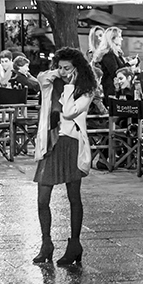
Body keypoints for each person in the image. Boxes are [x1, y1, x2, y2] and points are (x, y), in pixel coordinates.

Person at [32, 47, 97, 267]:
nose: (63, 71)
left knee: (74, 197)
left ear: (77, 69)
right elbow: (41, 79)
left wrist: (70, 85)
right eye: (60, 67)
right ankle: (46, 243)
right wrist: (57, 73)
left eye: (67, 68)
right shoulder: (52, 82)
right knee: (42, 198)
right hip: (50, 142)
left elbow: (69, 112)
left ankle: (75, 244)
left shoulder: (85, 90)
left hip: (71, 143)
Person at [91, 26, 127, 103]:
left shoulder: (117, 53)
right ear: (113, 39)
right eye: (119, 37)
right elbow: (115, 72)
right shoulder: (108, 55)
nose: (121, 39)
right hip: (111, 90)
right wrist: (129, 64)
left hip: (118, 88)